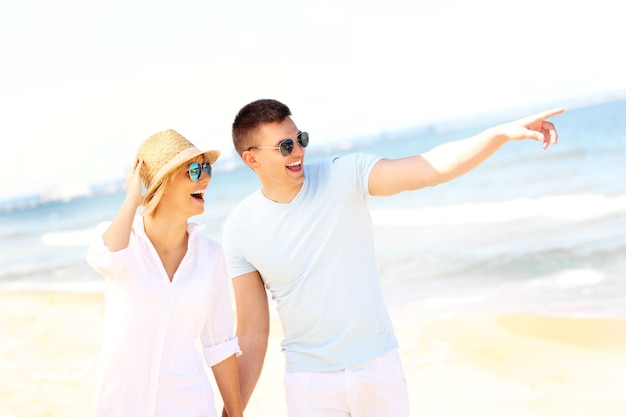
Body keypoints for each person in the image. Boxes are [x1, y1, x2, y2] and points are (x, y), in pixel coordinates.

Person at [222, 99, 564, 417]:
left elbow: (430, 169)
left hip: (376, 368)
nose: (298, 152)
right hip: (310, 383)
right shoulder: (240, 228)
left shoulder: (345, 175)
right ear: (252, 159)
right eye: (285, 146)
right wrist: (232, 412)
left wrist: (499, 134)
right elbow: (252, 333)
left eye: (301, 139)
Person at [86, 129, 244, 417]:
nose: (205, 178)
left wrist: (235, 413)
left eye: (205, 167)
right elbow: (106, 259)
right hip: (122, 406)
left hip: (190, 405)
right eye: (193, 170)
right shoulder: (123, 242)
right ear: (163, 182)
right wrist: (133, 198)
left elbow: (219, 343)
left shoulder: (210, 256)